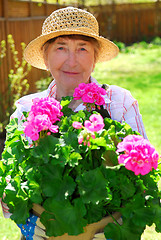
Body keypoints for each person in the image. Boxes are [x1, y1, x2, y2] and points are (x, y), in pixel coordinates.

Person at [1, 6, 147, 240]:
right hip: (42, 231)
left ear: (95, 57)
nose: (72, 60)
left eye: (82, 48)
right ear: (46, 58)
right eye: (61, 48)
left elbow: (141, 175)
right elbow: (11, 182)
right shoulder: (26, 109)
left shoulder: (120, 102)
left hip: (106, 230)